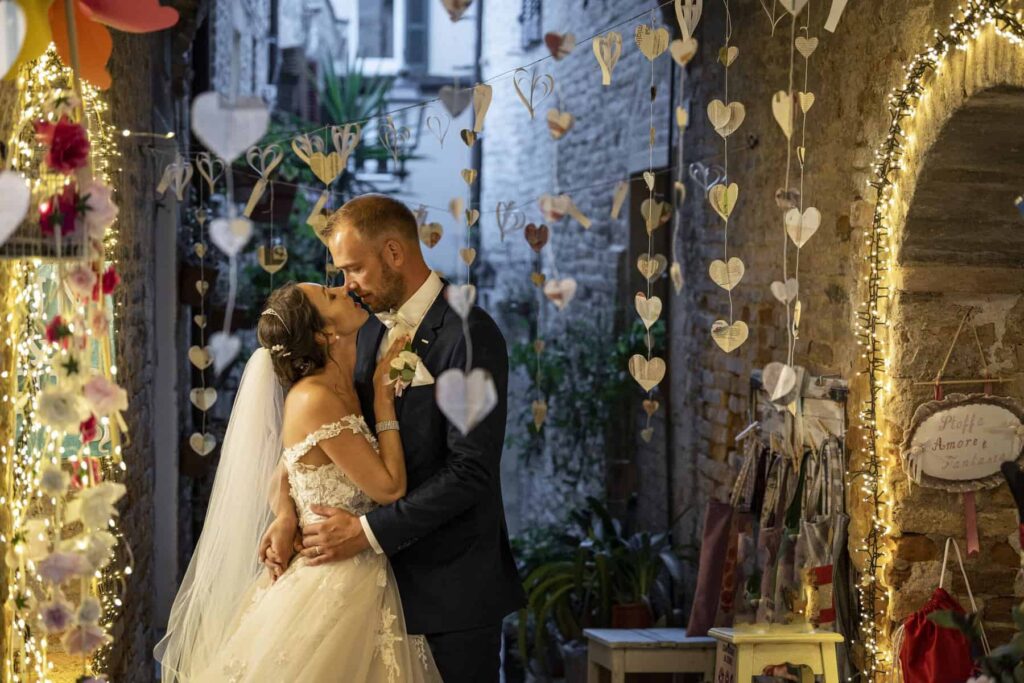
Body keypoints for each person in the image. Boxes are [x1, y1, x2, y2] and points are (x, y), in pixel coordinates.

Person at [266, 194, 526, 682]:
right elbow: (321, 436)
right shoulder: (363, 328)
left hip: (450, 595)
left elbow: (471, 471)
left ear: (393, 253)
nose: (347, 285)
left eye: (354, 269)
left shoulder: (471, 335)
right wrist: (285, 510)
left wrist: (365, 533)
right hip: (367, 598)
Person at [154, 280, 442, 682]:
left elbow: (285, 468)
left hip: (361, 574)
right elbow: (390, 488)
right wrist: (382, 402)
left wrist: (286, 513)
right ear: (324, 334)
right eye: (330, 295)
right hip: (332, 579)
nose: (344, 288)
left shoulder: (344, 380)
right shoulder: (315, 398)